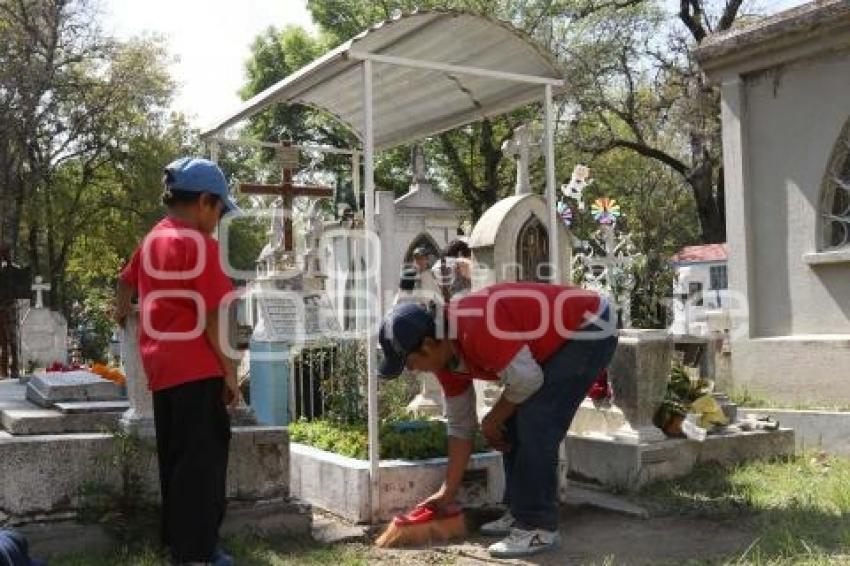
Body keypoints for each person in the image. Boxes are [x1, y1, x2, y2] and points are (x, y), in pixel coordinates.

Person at [378, 282, 618, 558]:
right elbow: (460, 427)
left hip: (590, 324)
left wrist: (492, 419)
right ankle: (520, 511)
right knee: (512, 421)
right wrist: (447, 491)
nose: (412, 371)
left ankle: (538, 528)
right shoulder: (445, 361)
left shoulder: (475, 326)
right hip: (562, 335)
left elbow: (527, 380)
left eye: (409, 364)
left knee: (537, 421)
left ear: (429, 345)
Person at [114, 157, 240, 566]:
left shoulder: (153, 239)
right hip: (198, 368)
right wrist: (230, 372)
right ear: (205, 201)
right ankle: (197, 553)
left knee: (175, 459)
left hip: (162, 371)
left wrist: (121, 312)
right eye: (220, 209)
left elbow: (125, 279)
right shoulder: (200, 244)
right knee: (202, 467)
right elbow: (211, 315)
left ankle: (178, 543)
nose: (219, 218)